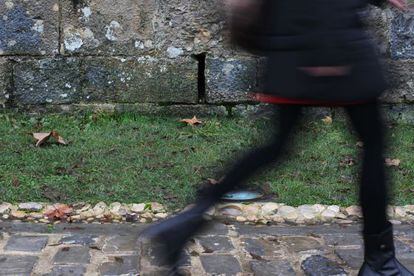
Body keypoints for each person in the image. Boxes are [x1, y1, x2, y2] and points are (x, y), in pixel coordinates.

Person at [141, 0, 414, 275]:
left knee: (276, 146)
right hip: (329, 48)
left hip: (296, 50)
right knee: (373, 143)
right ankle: (380, 262)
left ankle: (184, 223)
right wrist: (329, 52)